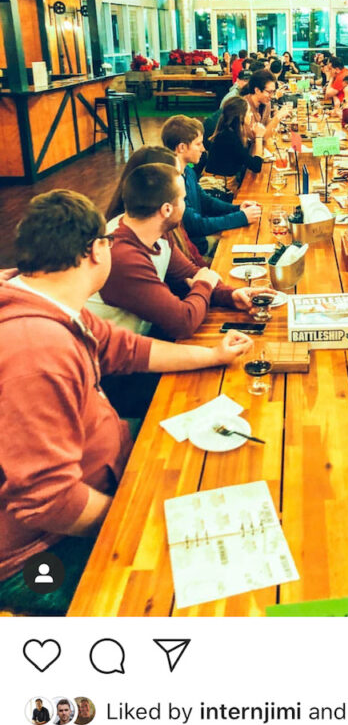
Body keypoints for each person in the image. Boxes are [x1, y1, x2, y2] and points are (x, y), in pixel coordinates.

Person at [0, 190, 253, 615]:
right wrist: (151, 520)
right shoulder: (35, 350)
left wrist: (213, 355)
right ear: (97, 250)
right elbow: (48, 500)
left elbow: (129, 349)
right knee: (203, 583)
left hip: (107, 466)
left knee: (222, 478)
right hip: (42, 553)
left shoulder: (51, 302)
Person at [89, 164, 262, 341]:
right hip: (116, 360)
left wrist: (231, 295)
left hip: (143, 340)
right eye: (183, 200)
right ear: (166, 209)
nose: (186, 207)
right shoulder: (123, 254)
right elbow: (183, 323)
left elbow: (190, 274)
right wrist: (204, 285)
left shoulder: (156, 229)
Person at [160, 115, 261, 253]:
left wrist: (237, 209)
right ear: (182, 147)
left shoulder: (188, 171)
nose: (203, 149)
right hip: (194, 251)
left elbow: (206, 201)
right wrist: (241, 217)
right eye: (198, 144)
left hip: (201, 244)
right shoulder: (170, 184)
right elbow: (195, 225)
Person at [106, 145, 206, 268]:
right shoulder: (127, 248)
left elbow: (190, 267)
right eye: (177, 175)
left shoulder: (164, 225)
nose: (182, 180)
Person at [203, 96, 264, 192]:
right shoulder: (229, 137)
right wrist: (259, 137)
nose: (251, 114)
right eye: (248, 112)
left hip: (226, 182)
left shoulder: (230, 132)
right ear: (241, 116)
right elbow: (256, 166)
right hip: (220, 186)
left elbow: (245, 156)